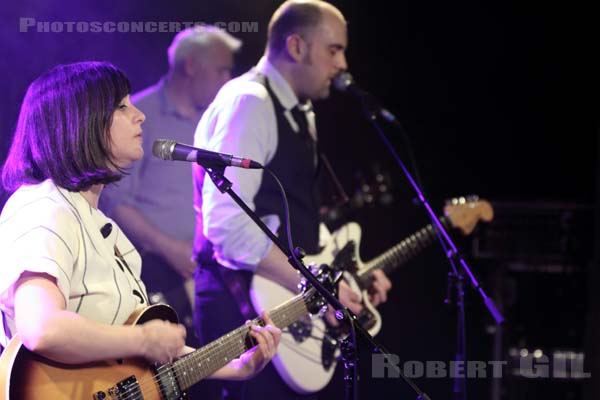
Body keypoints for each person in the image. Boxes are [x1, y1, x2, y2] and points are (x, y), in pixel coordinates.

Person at [0, 62, 281, 392]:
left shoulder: (101, 226)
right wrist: (144, 338)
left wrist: (237, 367)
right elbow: (41, 328)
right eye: (122, 106)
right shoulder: (44, 207)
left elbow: (138, 360)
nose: (140, 115)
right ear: (79, 123)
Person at [192, 1, 392, 399]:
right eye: (333, 50)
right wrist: (318, 286)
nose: (342, 65)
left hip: (281, 307)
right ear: (297, 47)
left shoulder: (300, 111)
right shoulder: (250, 102)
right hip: (243, 312)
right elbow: (227, 228)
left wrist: (348, 275)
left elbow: (295, 216)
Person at [99, 25, 242, 351]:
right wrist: (171, 249)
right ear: (191, 66)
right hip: (158, 276)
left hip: (211, 274)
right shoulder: (137, 117)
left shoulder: (216, 119)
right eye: (222, 69)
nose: (227, 80)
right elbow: (115, 202)